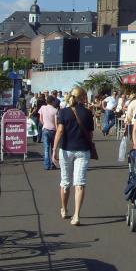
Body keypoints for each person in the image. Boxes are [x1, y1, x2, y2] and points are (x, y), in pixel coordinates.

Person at [52, 86, 94, 226]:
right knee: (80, 183)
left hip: (66, 150)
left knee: (65, 182)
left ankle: (64, 209)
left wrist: (54, 150)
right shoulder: (88, 113)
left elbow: (60, 131)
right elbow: (90, 134)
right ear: (82, 97)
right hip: (82, 150)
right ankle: (76, 215)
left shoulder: (63, 112)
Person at [38, 94, 59, 170]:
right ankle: (53, 164)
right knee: (53, 149)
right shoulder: (55, 110)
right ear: (53, 102)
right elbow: (56, 123)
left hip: (45, 129)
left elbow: (40, 119)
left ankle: (47, 165)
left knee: (46, 148)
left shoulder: (42, 108)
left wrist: (45, 124)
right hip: (53, 130)